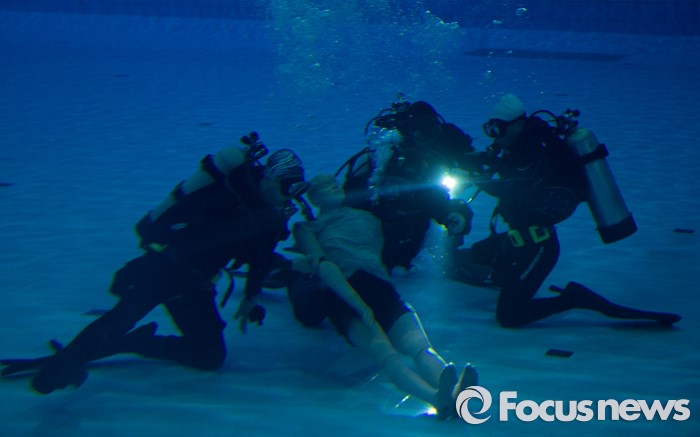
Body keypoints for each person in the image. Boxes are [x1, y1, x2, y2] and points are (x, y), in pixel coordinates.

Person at [1, 132, 309, 394]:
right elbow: (172, 220)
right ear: (269, 176)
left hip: (195, 284)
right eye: (286, 185)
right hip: (164, 268)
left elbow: (260, 259)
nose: (288, 195)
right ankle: (59, 369)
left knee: (209, 357)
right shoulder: (228, 192)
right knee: (119, 318)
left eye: (295, 189)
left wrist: (252, 295)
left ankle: (138, 344)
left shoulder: (271, 217)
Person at [451, 94, 681, 327]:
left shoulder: (532, 155)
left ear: (518, 125)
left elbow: (512, 189)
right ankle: (510, 276)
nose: (494, 136)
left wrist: (474, 179)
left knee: (510, 316)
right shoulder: (520, 150)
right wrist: (468, 162)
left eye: (498, 129)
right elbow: (497, 165)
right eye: (490, 129)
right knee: (479, 253)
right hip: (516, 240)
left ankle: (573, 298)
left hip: (538, 247)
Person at [292, 174, 477, 418]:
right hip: (343, 295)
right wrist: (358, 305)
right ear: (314, 198)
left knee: (420, 347)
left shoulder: (368, 217)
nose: (333, 186)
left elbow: (404, 227)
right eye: (324, 186)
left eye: (334, 182)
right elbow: (323, 266)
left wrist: (445, 212)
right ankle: (435, 398)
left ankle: (453, 394)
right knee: (387, 357)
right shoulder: (308, 228)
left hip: (380, 287)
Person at [339, 96, 475, 273]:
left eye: (434, 132)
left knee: (458, 209)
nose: (429, 139)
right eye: (423, 134)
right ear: (409, 133)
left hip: (404, 240)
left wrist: (453, 215)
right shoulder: (384, 158)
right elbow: (349, 199)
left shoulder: (430, 160)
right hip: (373, 238)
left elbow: (435, 198)